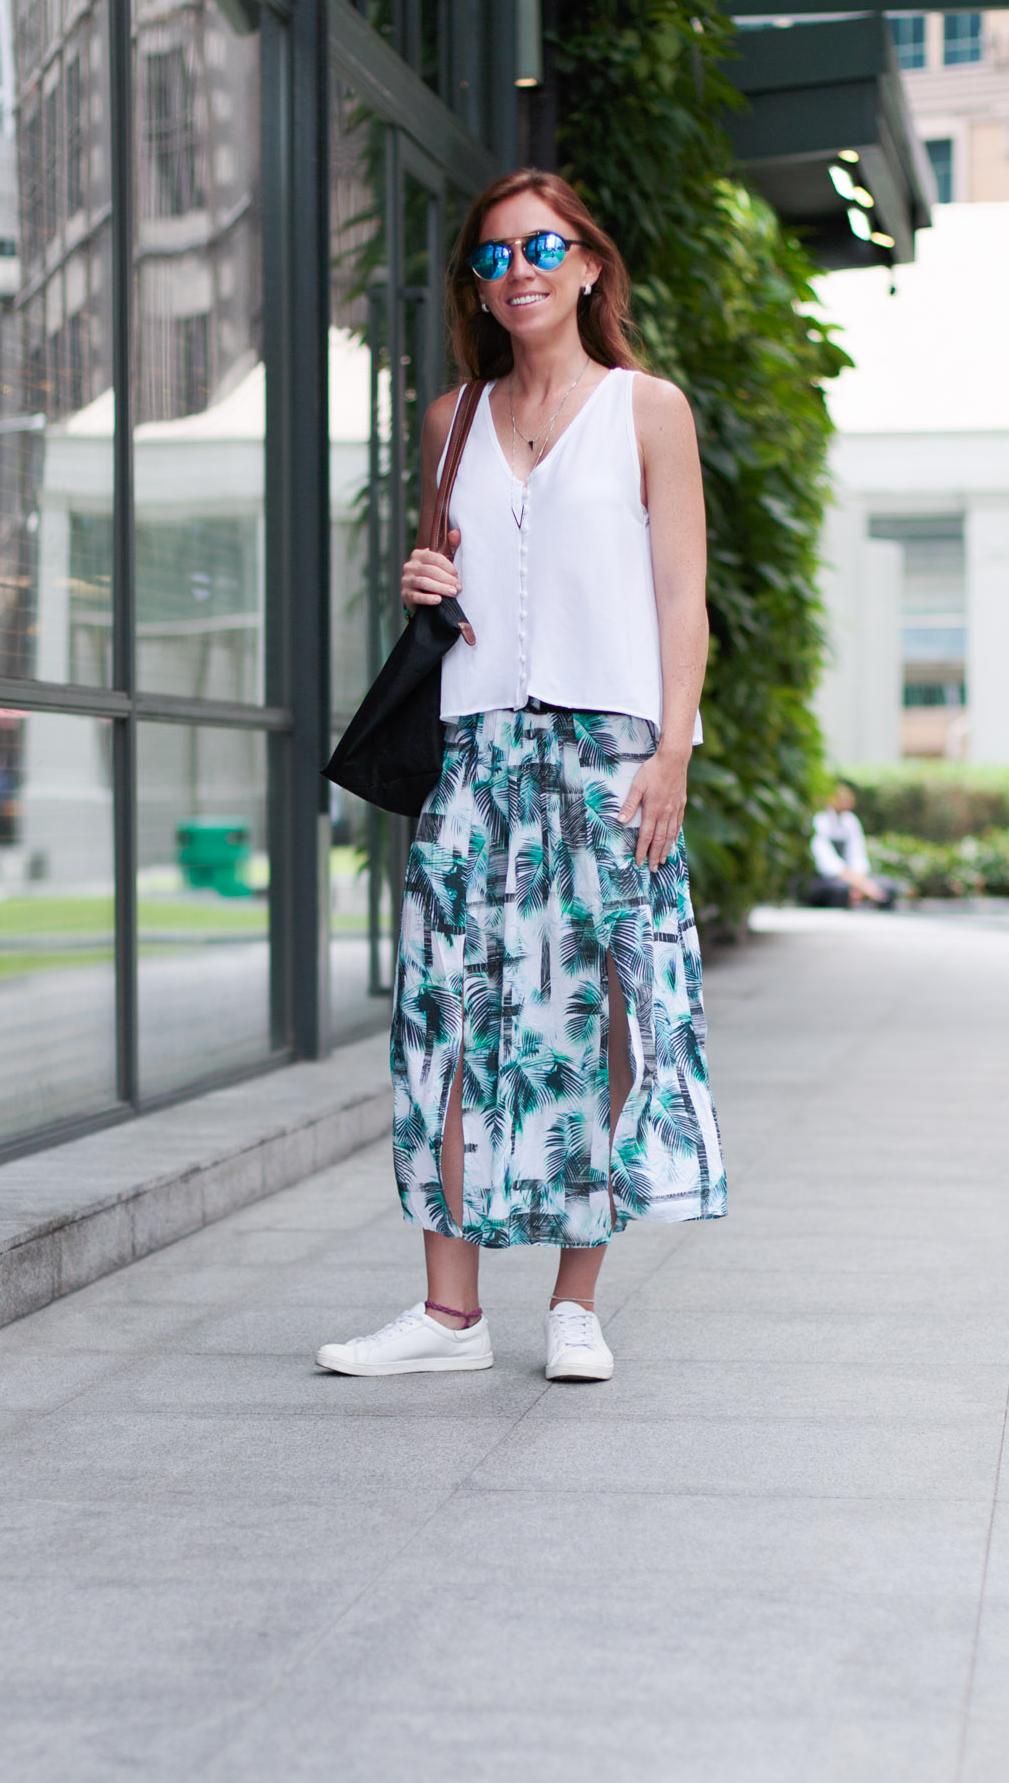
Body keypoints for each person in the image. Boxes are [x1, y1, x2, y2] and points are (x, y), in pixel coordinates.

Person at [318, 169, 727, 1384]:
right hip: (475, 752)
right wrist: (422, 579)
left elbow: (680, 596)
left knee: (599, 1014)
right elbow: (455, 572)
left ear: (589, 265)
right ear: (478, 287)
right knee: (447, 1016)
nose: (520, 271)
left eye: (542, 247)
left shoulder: (648, 409)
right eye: (494, 256)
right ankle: (449, 1314)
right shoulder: (449, 419)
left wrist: (671, 751)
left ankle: (575, 1305)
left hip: (610, 752)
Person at [804, 782, 895, 909]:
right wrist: (860, 884)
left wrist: (860, 881)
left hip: (853, 878)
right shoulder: (820, 820)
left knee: (889, 888)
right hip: (827, 878)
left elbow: (857, 854)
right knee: (840, 891)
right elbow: (826, 862)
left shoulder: (851, 821)